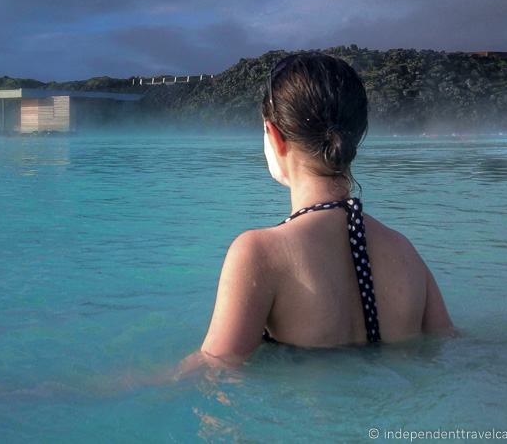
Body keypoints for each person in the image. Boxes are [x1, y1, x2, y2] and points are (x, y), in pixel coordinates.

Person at [174, 52, 455, 378]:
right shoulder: (405, 252)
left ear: (274, 136)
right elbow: (450, 346)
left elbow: (214, 370)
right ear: (356, 135)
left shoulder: (260, 254)